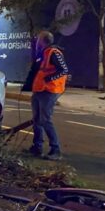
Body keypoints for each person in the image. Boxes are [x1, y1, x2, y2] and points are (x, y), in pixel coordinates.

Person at [24, 31, 68, 161]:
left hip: (49, 91)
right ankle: (37, 147)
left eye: (38, 39)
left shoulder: (54, 53)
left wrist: (48, 79)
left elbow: (64, 70)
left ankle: (56, 149)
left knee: (45, 120)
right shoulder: (43, 53)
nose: (37, 41)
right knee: (37, 119)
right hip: (39, 90)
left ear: (43, 40)